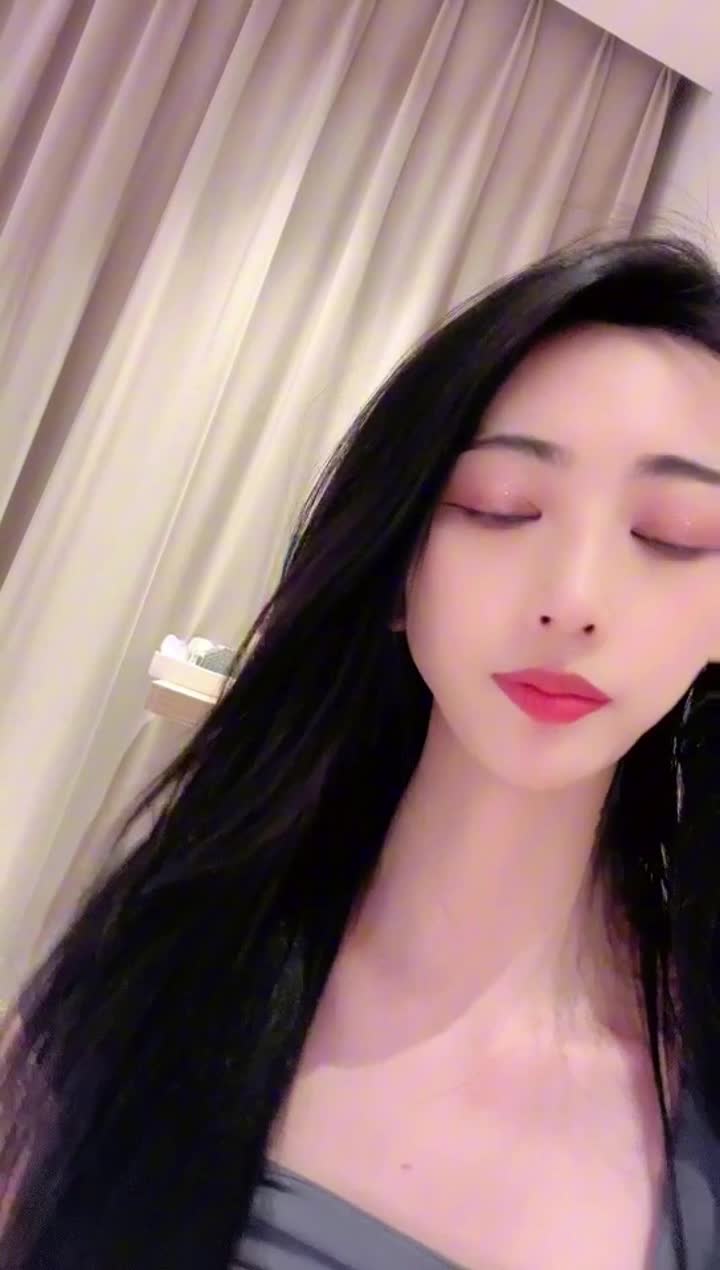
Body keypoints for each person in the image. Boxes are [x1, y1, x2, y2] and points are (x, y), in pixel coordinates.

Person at [2, 236, 720, 1270]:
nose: (575, 598)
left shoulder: (699, 1087)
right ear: (396, 566)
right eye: (500, 507)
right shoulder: (162, 974)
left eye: (674, 532)